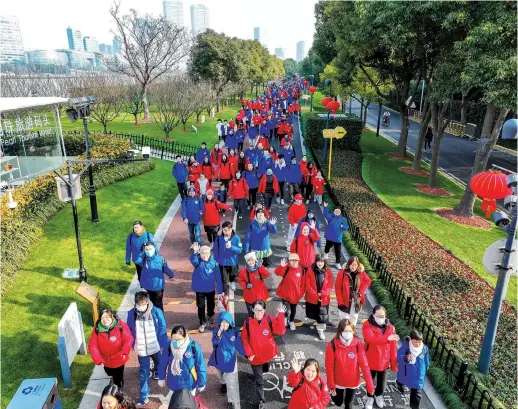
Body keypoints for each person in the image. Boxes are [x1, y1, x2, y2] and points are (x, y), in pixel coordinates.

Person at [241, 300, 287, 409]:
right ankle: (261, 400)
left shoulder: (270, 319)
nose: (258, 312)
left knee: (265, 369)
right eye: (256, 310)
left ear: (264, 310)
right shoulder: (247, 323)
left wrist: (281, 315)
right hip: (255, 358)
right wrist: (249, 353)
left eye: (261, 310)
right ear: (252, 310)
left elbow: (281, 331)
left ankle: (262, 371)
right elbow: (244, 339)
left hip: (268, 354)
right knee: (259, 381)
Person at [127, 291, 168, 406]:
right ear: (135, 303)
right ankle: (143, 396)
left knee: (160, 364)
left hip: (155, 346)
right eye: (139, 304)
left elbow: (162, 328)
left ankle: (156, 371)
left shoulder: (156, 312)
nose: (141, 306)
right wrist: (132, 344)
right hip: (142, 349)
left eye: (143, 303)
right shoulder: (131, 314)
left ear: (147, 302)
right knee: (143, 373)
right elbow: (129, 330)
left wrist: (162, 345)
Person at [325, 319, 375, 409]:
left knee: (349, 404)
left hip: (353, 381)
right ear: (340, 331)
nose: (347, 333)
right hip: (338, 381)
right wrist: (331, 384)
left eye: (350, 331)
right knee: (338, 402)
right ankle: (332, 395)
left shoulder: (358, 344)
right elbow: (329, 366)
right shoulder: (332, 345)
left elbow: (364, 366)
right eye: (345, 330)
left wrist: (370, 385)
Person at [362, 305, 399, 409]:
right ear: (373, 315)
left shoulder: (390, 327)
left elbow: (393, 347)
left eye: (382, 316)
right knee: (369, 381)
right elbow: (370, 339)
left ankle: (378, 395)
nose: (380, 318)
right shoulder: (367, 325)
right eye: (378, 316)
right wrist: (387, 338)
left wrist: (394, 364)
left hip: (384, 361)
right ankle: (370, 397)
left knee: (382, 384)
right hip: (370, 359)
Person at [208, 311, 246, 409]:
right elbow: (215, 341)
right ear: (219, 323)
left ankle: (231, 401)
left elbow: (239, 345)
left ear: (230, 322)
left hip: (229, 361)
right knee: (220, 375)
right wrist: (219, 332)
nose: (224, 324)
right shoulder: (216, 332)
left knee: (231, 384)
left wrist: (246, 355)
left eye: (226, 322)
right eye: (222, 322)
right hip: (218, 359)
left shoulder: (234, 333)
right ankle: (222, 384)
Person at [88, 308, 133, 388]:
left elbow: (128, 339)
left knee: (118, 376)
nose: (105, 320)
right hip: (106, 360)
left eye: (107, 317)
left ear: (111, 316)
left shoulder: (120, 325)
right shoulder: (97, 330)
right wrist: (98, 359)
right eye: (102, 318)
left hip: (119, 358)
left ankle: (118, 387)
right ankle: (115, 380)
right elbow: (92, 345)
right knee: (109, 372)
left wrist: (123, 352)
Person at [158, 325, 207, 396]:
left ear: (185, 337)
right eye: (174, 339)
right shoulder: (168, 346)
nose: (176, 342)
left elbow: (200, 365)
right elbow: (163, 363)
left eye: (179, 339)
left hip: (189, 383)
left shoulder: (193, 346)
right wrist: (161, 377)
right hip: (173, 382)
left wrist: (202, 382)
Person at [190, 242, 224, 333]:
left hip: (210, 289)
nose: (205, 255)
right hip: (199, 289)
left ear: (210, 253)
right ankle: (202, 322)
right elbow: (193, 260)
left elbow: (218, 278)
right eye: (202, 253)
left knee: (211, 304)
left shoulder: (214, 263)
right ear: (199, 254)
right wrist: (194, 252)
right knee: (200, 306)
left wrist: (220, 291)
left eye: (207, 253)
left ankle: (210, 315)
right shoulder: (197, 262)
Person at [396, 329, 430, 409]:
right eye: (415, 342)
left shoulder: (424, 348)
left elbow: (426, 359)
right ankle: (399, 384)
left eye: (419, 342)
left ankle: (414, 407)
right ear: (411, 339)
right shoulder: (406, 347)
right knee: (402, 380)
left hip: (419, 374)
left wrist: (427, 365)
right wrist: (405, 358)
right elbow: (398, 357)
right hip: (406, 372)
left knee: (417, 392)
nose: (418, 344)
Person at [336, 256, 372, 326]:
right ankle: (342, 330)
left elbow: (368, 281)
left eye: (355, 265)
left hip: (356, 300)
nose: (353, 267)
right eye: (352, 265)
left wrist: (361, 290)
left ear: (358, 265)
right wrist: (340, 300)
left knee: (354, 317)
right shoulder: (342, 273)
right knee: (344, 317)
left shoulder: (361, 273)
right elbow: (338, 288)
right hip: (344, 299)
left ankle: (351, 331)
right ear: (349, 265)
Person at [274, 254, 305, 331]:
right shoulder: (286, 268)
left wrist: (300, 294)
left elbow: (303, 284)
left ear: (298, 261)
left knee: (293, 310)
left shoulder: (301, 270)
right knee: (286, 310)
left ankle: (291, 321)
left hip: (295, 296)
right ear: (289, 261)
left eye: (295, 260)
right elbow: (277, 273)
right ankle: (284, 320)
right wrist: (281, 266)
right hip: (285, 294)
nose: (294, 262)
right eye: (292, 260)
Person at [305, 256, 333, 340]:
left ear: (324, 263)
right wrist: (315, 294)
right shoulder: (310, 270)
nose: (320, 263)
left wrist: (324, 293)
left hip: (324, 298)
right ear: (315, 262)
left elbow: (330, 285)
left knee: (322, 316)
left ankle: (321, 330)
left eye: (322, 261)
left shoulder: (328, 271)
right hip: (312, 297)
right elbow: (307, 284)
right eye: (318, 261)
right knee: (313, 313)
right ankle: (317, 322)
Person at [213, 221, 243, 294]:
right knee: (224, 280)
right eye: (224, 230)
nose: (226, 232)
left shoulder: (236, 238)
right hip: (222, 263)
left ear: (231, 229)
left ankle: (232, 282)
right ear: (222, 230)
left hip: (233, 263)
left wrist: (231, 247)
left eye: (228, 230)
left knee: (232, 276)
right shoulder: (218, 238)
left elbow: (239, 250)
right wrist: (216, 261)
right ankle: (225, 295)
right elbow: (215, 250)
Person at [237, 252, 270, 316]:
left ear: (255, 260)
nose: (251, 262)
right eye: (249, 260)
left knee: (260, 312)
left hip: (259, 296)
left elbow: (266, 275)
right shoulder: (243, 271)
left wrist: (261, 267)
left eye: (252, 260)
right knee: (251, 312)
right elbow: (240, 281)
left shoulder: (260, 268)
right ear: (246, 262)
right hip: (249, 296)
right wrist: (246, 285)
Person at [322, 202, 349, 269]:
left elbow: (347, 227)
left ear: (340, 212)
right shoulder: (331, 216)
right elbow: (325, 214)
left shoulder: (343, 219)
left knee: (338, 251)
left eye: (338, 211)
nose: (337, 212)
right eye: (335, 211)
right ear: (334, 211)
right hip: (330, 237)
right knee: (327, 246)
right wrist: (325, 207)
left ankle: (337, 263)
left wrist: (343, 226)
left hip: (338, 238)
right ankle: (326, 253)